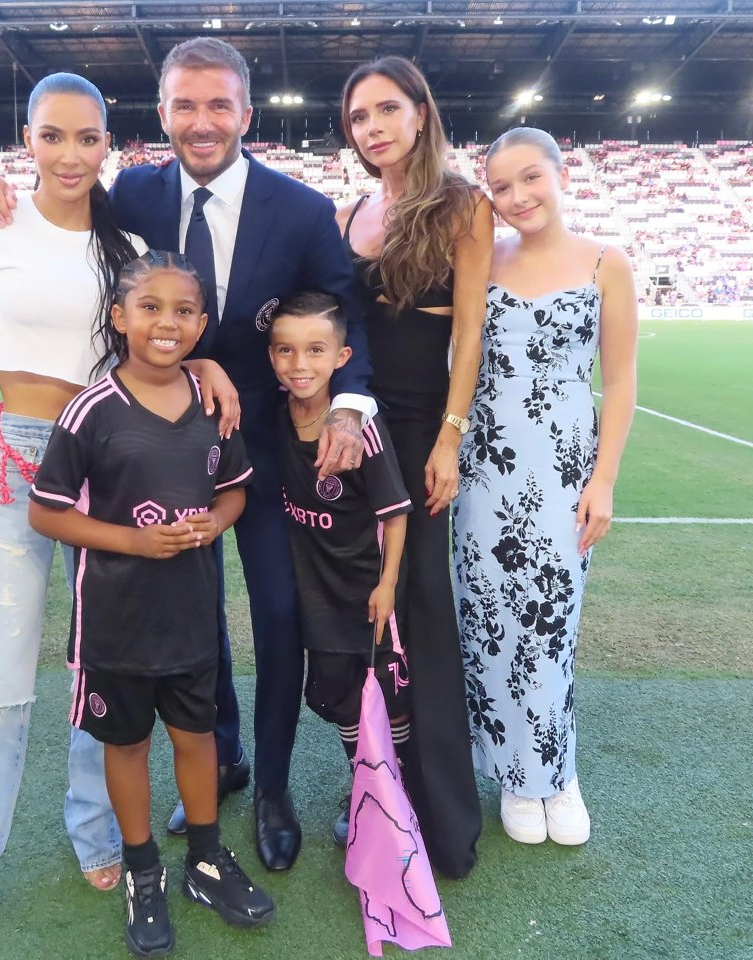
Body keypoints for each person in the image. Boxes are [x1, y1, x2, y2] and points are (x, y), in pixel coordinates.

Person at [0, 37, 374, 873]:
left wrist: (350, 401)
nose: (202, 121)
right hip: (146, 455)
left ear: (246, 114)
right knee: (193, 621)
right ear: (162, 115)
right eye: (185, 105)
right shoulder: (131, 195)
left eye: (219, 104)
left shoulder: (296, 208)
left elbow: (346, 317)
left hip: (257, 453)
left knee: (277, 615)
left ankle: (275, 788)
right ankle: (218, 761)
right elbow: (58, 208)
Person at [0, 73, 150, 955]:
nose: (69, 154)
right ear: (28, 139)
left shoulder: (125, 240)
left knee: (105, 665)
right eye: (53, 137)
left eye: (87, 138)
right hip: (13, 454)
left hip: (107, 457)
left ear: (107, 144)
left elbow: (154, 341)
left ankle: (99, 833)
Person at [29, 251, 273, 958]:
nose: (167, 323)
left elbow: (235, 490)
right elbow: (47, 514)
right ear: (120, 317)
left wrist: (215, 522)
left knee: (197, 738)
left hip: (192, 618)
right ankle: (142, 870)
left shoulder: (210, 405)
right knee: (127, 745)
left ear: (201, 323)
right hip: (117, 622)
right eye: (150, 308)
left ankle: (203, 860)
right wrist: (132, 543)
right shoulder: (91, 410)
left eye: (184, 311)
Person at [453, 127, 637, 846]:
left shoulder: (605, 260)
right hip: (484, 473)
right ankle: (510, 775)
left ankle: (557, 772)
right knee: (489, 626)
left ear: (561, 173)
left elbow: (619, 383)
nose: (518, 197)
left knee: (551, 627)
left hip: (564, 473)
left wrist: (605, 481)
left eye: (530, 178)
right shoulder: (480, 258)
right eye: (501, 187)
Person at [336, 56, 494, 878]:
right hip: (358, 433)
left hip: (423, 427)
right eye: (359, 117)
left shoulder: (464, 205)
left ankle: (443, 818)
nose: (372, 128)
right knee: (365, 608)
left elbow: (468, 332)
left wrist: (449, 436)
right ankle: (370, 787)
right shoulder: (349, 212)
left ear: (422, 112)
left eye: (386, 109)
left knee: (426, 610)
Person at [267, 291, 412, 845]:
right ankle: (365, 785)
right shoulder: (275, 418)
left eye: (314, 350)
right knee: (341, 695)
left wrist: (387, 586)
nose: (299, 365)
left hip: (363, 592)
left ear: (341, 358)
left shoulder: (357, 428)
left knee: (387, 696)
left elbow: (395, 516)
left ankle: (395, 792)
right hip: (314, 593)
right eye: (285, 350)